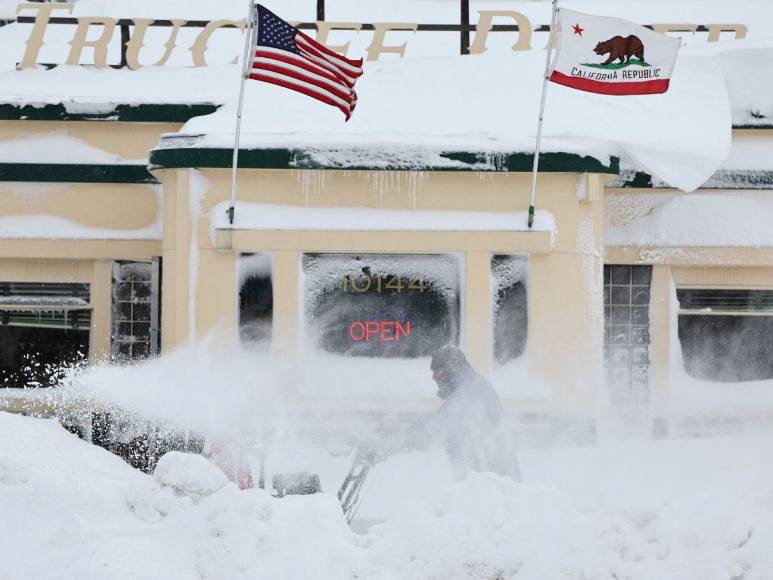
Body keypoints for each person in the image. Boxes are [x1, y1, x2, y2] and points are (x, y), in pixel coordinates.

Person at [421, 345, 521, 481]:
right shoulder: (469, 387)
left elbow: (441, 424)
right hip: (489, 479)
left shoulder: (470, 392)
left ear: (450, 370)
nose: (433, 377)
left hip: (493, 480)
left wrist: (410, 438)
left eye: (437, 371)